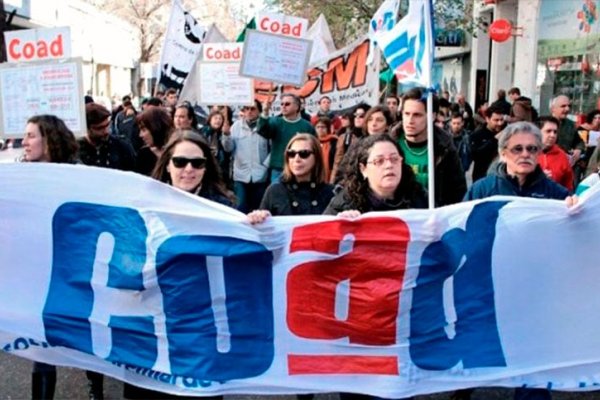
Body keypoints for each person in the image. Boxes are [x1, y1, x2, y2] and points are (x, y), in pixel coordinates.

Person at [462, 121, 574, 400]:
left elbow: (573, 236)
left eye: (532, 149)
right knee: (478, 346)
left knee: (534, 356)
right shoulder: (482, 190)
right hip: (490, 285)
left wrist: (576, 210)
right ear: (503, 153)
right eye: (517, 148)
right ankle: (461, 387)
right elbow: (460, 228)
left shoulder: (555, 194)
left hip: (535, 289)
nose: (525, 154)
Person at [22, 115, 79, 400]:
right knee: (41, 345)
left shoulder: (78, 175)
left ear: (49, 139)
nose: (24, 141)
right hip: (38, 273)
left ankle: (96, 384)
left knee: (86, 339)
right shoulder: (19, 176)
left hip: (71, 273)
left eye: (31, 135)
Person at [324, 133, 427, 216]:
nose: (389, 165)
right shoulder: (344, 204)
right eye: (379, 161)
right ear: (363, 169)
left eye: (394, 159)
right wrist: (339, 226)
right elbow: (321, 237)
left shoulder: (420, 197)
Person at [396, 87, 467, 206]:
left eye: (417, 115)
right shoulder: (390, 143)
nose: (410, 120)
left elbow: (458, 191)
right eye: (406, 114)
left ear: (432, 116)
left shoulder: (445, 147)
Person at [248, 133, 334, 218]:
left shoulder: (331, 193)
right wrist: (260, 217)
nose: (297, 159)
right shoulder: (275, 191)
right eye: (291, 154)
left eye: (304, 153)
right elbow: (261, 230)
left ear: (317, 157)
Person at [222, 100, 270, 213]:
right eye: (246, 109)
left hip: (260, 175)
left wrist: (265, 165)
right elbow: (228, 148)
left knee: (259, 210)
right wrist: (226, 134)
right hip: (240, 175)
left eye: (253, 109)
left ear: (259, 111)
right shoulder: (236, 126)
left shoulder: (266, 126)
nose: (249, 112)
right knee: (240, 208)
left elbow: (273, 148)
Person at [258, 93, 316, 182]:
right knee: (277, 195)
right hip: (279, 169)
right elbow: (262, 131)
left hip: (300, 169)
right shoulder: (275, 122)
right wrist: (265, 113)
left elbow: (314, 148)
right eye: (282, 104)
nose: (283, 106)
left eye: (287, 104)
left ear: (297, 107)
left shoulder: (307, 126)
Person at [78, 102, 136, 171]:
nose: (106, 131)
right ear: (87, 129)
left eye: (107, 125)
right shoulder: (77, 150)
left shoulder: (121, 146)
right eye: (99, 128)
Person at [331, 104, 369, 184]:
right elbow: (338, 161)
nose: (358, 118)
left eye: (362, 116)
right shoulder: (347, 136)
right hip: (349, 181)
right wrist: (334, 181)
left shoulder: (373, 137)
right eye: (356, 115)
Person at [537, 116, 574, 191]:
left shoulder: (562, 156)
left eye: (555, 132)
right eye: (548, 131)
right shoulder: (525, 153)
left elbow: (568, 187)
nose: (552, 135)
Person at [469, 104, 504, 183]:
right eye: (496, 120)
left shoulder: (506, 133)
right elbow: (477, 155)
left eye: (501, 120)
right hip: (482, 177)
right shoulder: (477, 135)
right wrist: (495, 140)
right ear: (487, 119)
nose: (500, 123)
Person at [135, 107, 174, 175]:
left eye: (144, 130)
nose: (140, 135)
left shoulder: (178, 152)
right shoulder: (143, 155)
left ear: (155, 128)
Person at [200, 110, 232, 186]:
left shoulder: (224, 133)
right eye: (215, 118)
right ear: (210, 119)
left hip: (221, 168)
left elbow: (228, 149)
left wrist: (226, 135)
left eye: (220, 119)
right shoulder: (203, 132)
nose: (218, 120)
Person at [314, 117, 338, 182]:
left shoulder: (334, 141)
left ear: (328, 128)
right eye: (318, 127)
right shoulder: (313, 142)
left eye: (323, 127)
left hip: (330, 174)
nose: (320, 129)